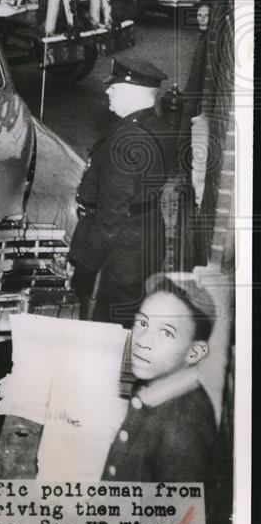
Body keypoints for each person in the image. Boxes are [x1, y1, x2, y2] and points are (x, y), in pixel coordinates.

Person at [68, 57, 170, 326]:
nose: (107, 91)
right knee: (131, 316)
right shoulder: (157, 126)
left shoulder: (124, 143)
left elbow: (111, 216)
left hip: (119, 256)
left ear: (131, 91)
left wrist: (87, 267)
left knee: (105, 328)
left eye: (113, 87)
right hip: (146, 237)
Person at [101, 273, 218, 485]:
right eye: (142, 322)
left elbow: (181, 517)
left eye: (166, 332)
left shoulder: (183, 431)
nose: (143, 341)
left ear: (195, 352)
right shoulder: (159, 388)